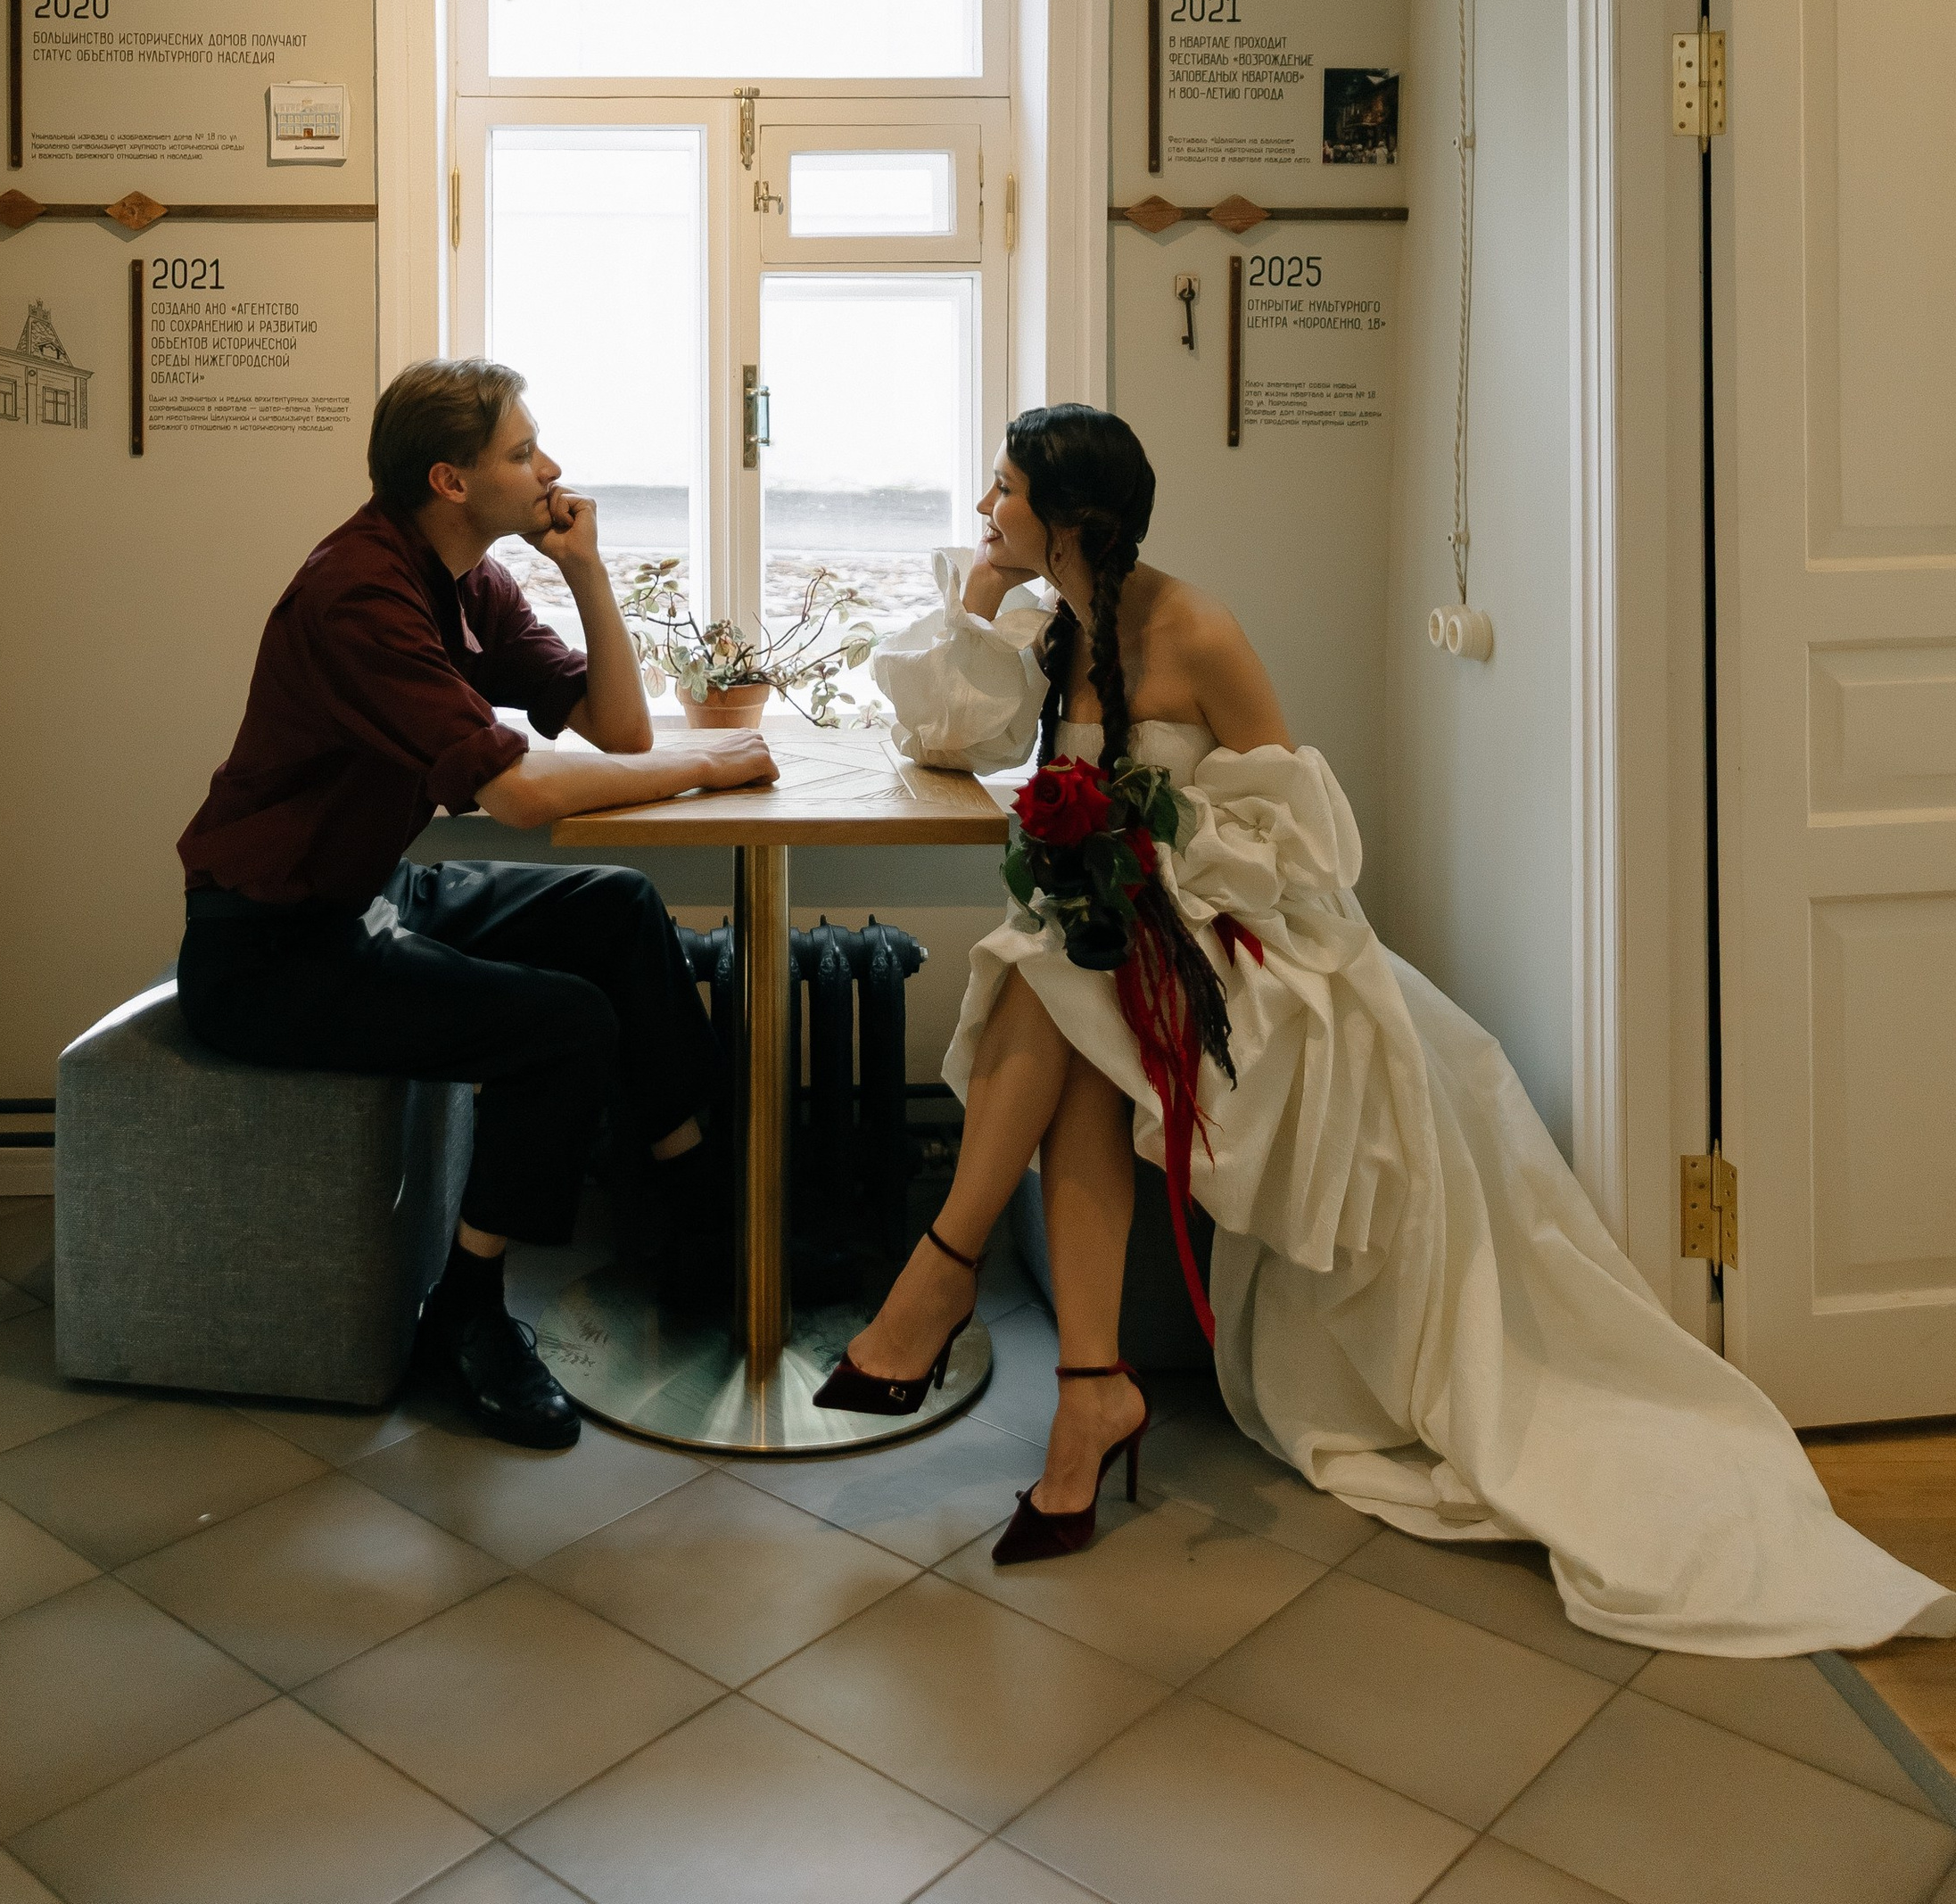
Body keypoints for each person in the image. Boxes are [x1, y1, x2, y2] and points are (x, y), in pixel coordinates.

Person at [819, 400, 1953, 1654]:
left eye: (1004, 493)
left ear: (1072, 515)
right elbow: (940, 732)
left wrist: (1159, 851)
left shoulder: (1193, 626)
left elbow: (1306, 834)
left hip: (1248, 942)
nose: (986, 509)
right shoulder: (1051, 628)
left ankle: (942, 1274)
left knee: (1048, 979)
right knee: (1070, 1009)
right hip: (1126, 942)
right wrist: (981, 598)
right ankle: (1089, 1393)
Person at [174, 356, 774, 1450]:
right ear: (451, 481)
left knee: (616, 906)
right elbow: (523, 793)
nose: (549, 468)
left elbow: (620, 732)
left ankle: (693, 1219)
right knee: (563, 1026)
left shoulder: (473, 579)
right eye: (521, 452)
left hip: (369, 897)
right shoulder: (359, 594)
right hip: (269, 951)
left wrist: (587, 572)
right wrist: (709, 768)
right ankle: (468, 1314)